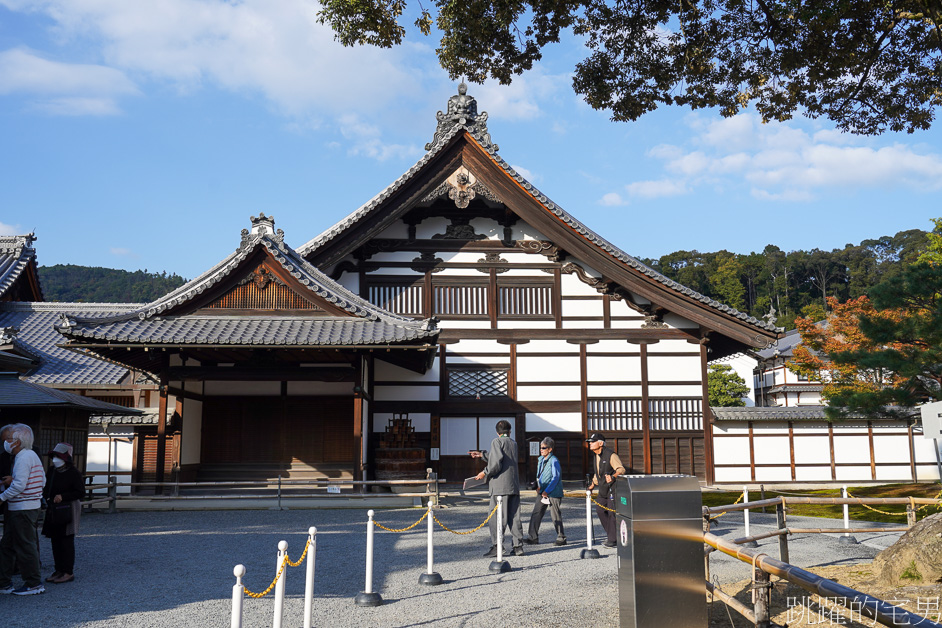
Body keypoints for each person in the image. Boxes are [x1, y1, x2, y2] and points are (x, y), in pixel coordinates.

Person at [0, 423, 46, 595]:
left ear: (16, 442)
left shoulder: (23, 457)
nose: (5, 443)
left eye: (7, 440)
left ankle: (33, 583)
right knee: (9, 544)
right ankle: (4, 582)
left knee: (25, 545)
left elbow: (19, 486)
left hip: (22, 508)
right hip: (25, 506)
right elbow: (42, 481)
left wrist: (2, 497)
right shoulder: (31, 456)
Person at [469, 420, 525, 557]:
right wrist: (482, 455)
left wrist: (484, 472)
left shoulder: (496, 442)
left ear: (497, 432)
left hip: (500, 487)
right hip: (513, 485)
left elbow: (495, 464)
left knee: (495, 517)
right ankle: (518, 547)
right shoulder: (513, 443)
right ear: (509, 431)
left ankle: (497, 546)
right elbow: (501, 458)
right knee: (514, 516)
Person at [41, 443, 83, 584]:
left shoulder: (73, 473)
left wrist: (63, 496)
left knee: (66, 541)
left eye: (58, 457)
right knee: (55, 540)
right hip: (54, 509)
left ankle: (68, 571)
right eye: (54, 456)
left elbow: (80, 492)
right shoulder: (52, 471)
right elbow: (46, 487)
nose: (55, 459)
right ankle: (58, 569)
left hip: (68, 508)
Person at [585, 433, 625, 548]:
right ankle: (613, 535)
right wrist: (592, 484)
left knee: (612, 514)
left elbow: (621, 469)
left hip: (613, 489)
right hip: (602, 490)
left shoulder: (611, 455)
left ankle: (612, 540)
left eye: (592, 442)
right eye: (589, 442)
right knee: (600, 511)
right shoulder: (596, 455)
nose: (590, 444)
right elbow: (598, 473)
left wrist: (613, 476)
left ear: (600, 443)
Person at [524, 436, 566, 546]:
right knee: (536, 513)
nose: (541, 449)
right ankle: (533, 537)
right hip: (542, 491)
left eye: (544, 448)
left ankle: (561, 537)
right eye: (541, 448)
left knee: (555, 515)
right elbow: (541, 475)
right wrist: (539, 486)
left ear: (550, 449)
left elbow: (556, 477)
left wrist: (547, 490)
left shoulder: (554, 460)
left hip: (553, 492)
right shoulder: (541, 460)